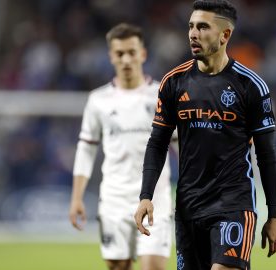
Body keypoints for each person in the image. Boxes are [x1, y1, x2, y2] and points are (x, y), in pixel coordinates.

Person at [134, 1, 276, 269]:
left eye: (203, 27)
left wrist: (274, 215)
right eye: (191, 26)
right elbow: (157, 143)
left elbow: (266, 155)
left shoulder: (250, 86)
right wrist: (146, 195)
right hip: (189, 207)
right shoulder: (173, 82)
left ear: (225, 35)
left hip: (233, 203)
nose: (193, 33)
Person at [69, 23, 173, 270]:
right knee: (118, 266)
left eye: (131, 52)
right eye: (119, 53)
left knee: (153, 267)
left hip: (155, 200)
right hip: (114, 199)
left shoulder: (162, 95)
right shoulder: (98, 100)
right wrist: (76, 198)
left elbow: (184, 145)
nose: (126, 59)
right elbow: (86, 149)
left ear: (143, 54)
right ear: (111, 57)